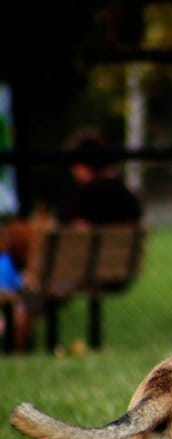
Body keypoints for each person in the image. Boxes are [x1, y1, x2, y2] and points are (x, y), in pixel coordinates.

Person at [0, 129, 141, 349]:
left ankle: (14, 341)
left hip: (72, 274)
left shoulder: (85, 196)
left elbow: (57, 233)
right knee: (37, 285)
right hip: (115, 273)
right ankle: (15, 334)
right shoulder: (128, 197)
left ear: (81, 166)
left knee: (32, 286)